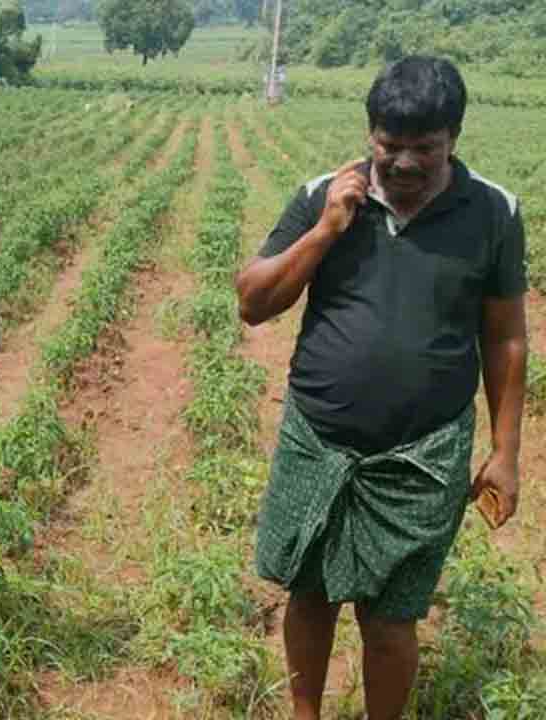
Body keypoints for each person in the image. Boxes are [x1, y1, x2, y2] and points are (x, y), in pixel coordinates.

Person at [236, 56, 527, 720]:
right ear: (371, 135)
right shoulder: (326, 194)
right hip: (319, 435)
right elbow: (253, 303)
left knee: (390, 617)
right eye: (387, 146)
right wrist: (326, 230)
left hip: (422, 455)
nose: (401, 163)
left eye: (422, 149)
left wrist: (507, 453)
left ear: (452, 137)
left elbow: (506, 336)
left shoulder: (493, 212)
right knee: (309, 593)